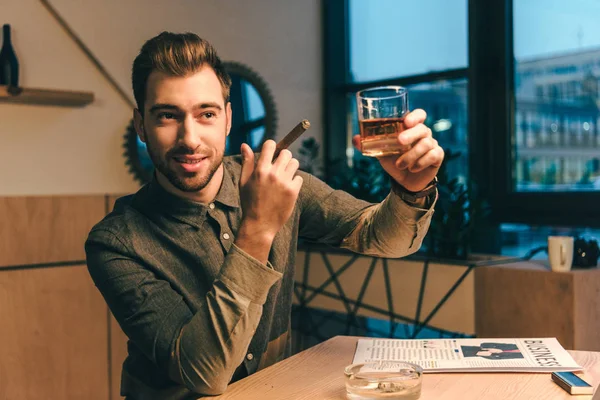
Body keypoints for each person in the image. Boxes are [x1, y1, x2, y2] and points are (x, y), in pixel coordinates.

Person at [85, 31, 444, 399]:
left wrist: (411, 189)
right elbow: (204, 374)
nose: (189, 138)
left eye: (206, 114)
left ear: (227, 119)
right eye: (167, 116)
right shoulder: (115, 242)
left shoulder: (279, 182)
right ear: (141, 125)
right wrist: (257, 228)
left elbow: (385, 239)